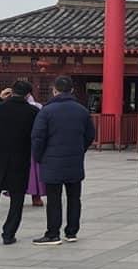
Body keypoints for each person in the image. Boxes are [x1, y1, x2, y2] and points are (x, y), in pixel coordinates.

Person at [30, 76, 96, 245]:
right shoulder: (82, 111)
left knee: (54, 199)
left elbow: (38, 137)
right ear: (72, 90)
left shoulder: (46, 111)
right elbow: (90, 135)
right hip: (74, 161)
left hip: (51, 161)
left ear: (54, 90)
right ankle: (72, 232)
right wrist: (80, 150)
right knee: (74, 198)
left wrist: (38, 157)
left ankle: (53, 233)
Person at [0, 80, 39, 244]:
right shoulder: (32, 112)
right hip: (19, 161)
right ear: (28, 95)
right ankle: (8, 235)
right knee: (16, 201)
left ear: (11, 92)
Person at [25, 93, 46, 207]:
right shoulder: (38, 107)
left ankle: (35, 196)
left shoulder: (36, 107)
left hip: (31, 142)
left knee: (33, 171)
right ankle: (35, 197)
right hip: (26, 142)